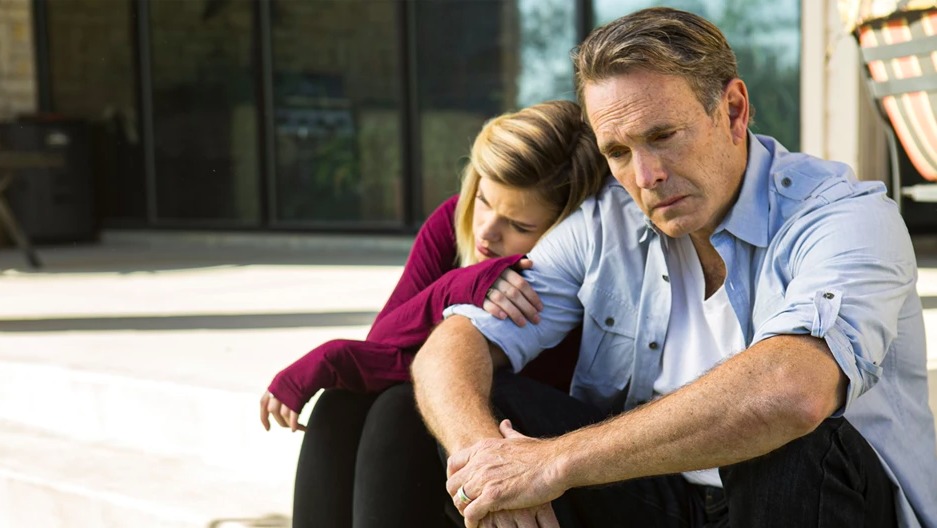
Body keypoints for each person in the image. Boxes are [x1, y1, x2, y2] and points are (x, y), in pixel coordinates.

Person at [411, 7, 937, 528]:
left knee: (784, 439)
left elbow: (793, 392)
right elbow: (451, 346)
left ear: (733, 111)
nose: (646, 176)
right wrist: (487, 462)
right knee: (484, 406)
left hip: (824, 501)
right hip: (667, 499)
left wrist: (552, 463)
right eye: (618, 152)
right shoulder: (607, 222)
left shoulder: (844, 216)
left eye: (663, 136)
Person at [259, 99, 608, 527]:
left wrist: (337, 358)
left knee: (400, 406)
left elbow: (434, 372)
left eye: (519, 226)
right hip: (454, 437)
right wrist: (458, 285)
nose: (487, 230)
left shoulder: (554, 273)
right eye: (484, 199)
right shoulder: (454, 219)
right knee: (342, 400)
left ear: (563, 228)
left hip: (531, 444)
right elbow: (384, 341)